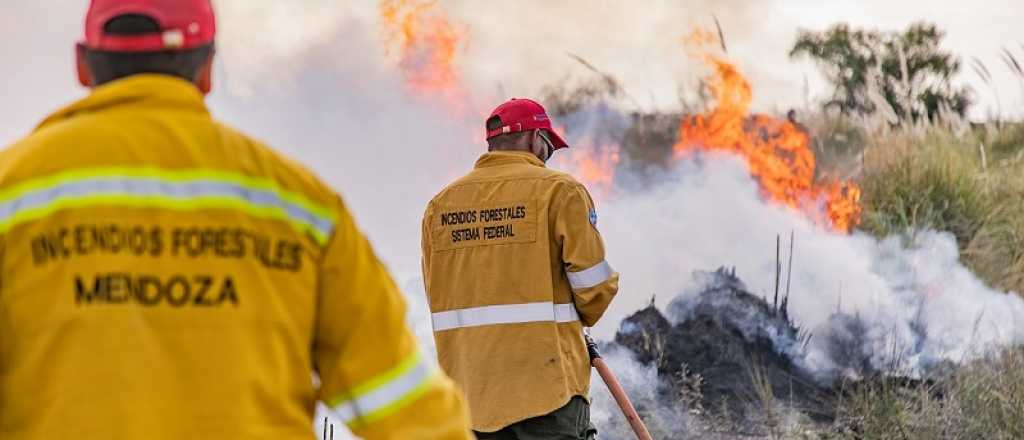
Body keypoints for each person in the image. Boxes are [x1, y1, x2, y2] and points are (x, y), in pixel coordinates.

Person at [0, 1, 472, 438]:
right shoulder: (300, 207)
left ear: (82, 64)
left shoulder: (12, 193)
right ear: (207, 69)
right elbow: (407, 407)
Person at [421, 98, 620, 439]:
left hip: (469, 398)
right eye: (548, 146)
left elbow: (437, 292)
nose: (548, 155)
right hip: (547, 394)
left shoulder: (439, 206)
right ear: (533, 139)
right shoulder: (561, 191)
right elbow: (595, 289)